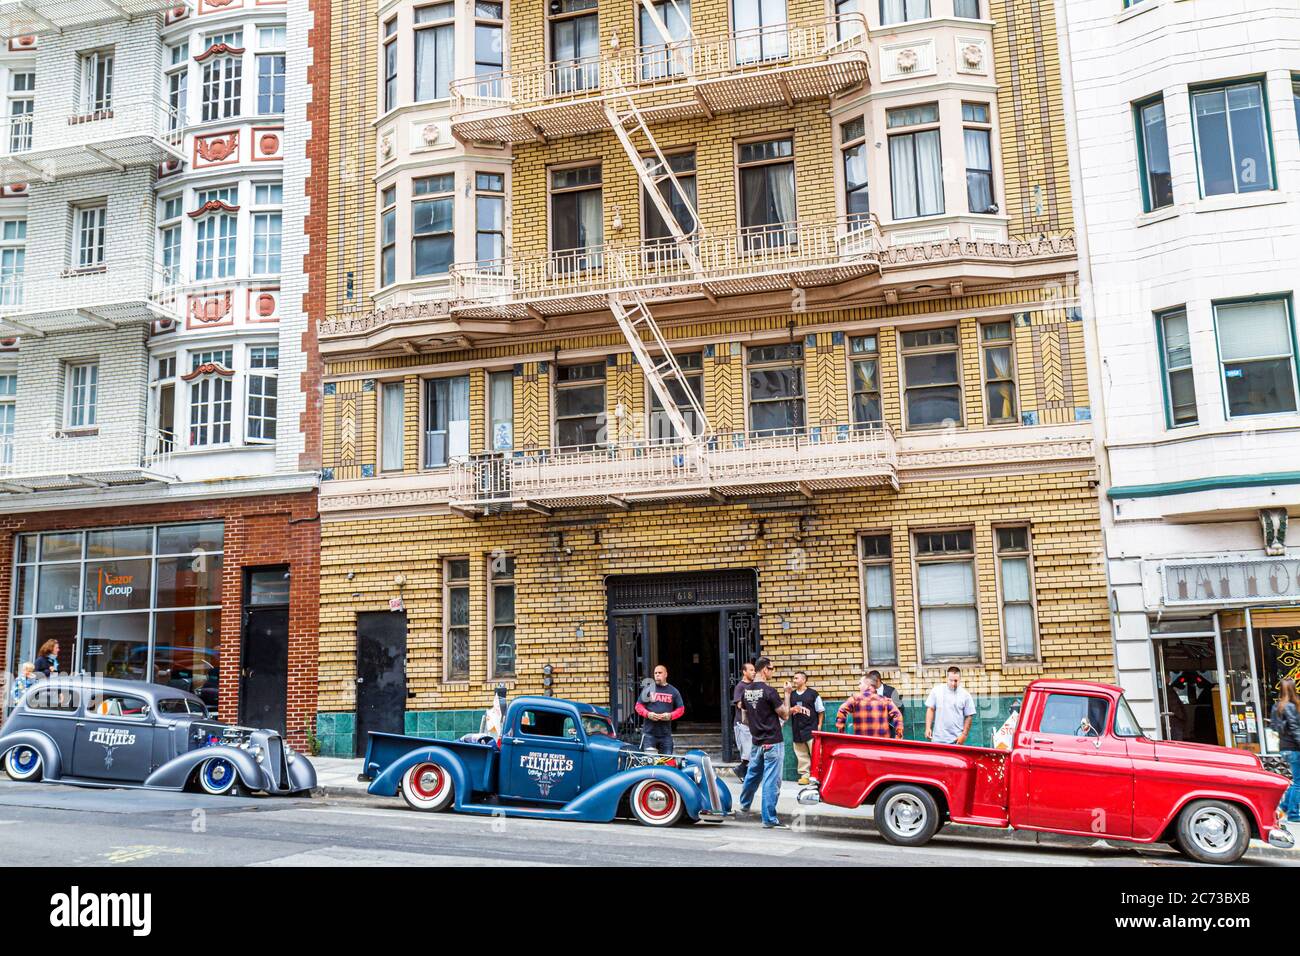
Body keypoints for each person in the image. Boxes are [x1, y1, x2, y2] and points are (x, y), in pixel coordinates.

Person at [738, 657, 790, 829]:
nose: (773, 672)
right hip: (773, 741)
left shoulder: (746, 691)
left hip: (757, 741)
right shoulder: (770, 691)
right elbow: (785, 715)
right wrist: (788, 694)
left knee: (752, 774)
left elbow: (745, 719)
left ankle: (744, 805)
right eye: (772, 668)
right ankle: (769, 818)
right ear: (764, 670)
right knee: (771, 780)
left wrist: (757, 722)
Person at [635, 664, 684, 754]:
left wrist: (670, 716)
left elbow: (681, 709)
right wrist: (648, 714)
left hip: (665, 735)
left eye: (660, 673)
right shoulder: (648, 689)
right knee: (649, 762)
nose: (657, 675)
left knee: (666, 762)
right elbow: (638, 706)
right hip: (649, 734)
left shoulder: (673, 691)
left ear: (666, 674)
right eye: (655, 673)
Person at [835, 674, 903, 739]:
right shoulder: (885, 701)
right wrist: (898, 737)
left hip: (862, 744)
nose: (858, 686)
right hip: (882, 744)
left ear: (869, 686)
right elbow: (898, 715)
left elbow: (842, 710)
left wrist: (841, 733)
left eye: (860, 683)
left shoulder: (855, 699)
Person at [787, 670, 824, 785]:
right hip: (797, 729)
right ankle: (805, 775)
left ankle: (819, 775)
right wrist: (787, 694)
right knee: (801, 754)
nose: (794, 680)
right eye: (794, 678)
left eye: (796, 678)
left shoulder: (813, 694)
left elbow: (821, 710)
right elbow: (786, 711)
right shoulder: (792, 695)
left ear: (804, 680)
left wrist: (819, 725)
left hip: (811, 728)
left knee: (816, 753)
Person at [1271, 678, 1300, 823]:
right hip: (1295, 748)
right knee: (1298, 783)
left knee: (1297, 781)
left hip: (1284, 748)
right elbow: (1295, 730)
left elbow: (1274, 727)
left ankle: (1284, 806)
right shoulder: (1291, 706)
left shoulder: (1277, 707)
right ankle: (1293, 815)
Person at [925, 666, 976, 745]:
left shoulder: (965, 695)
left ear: (960, 680)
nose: (953, 683)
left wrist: (964, 735)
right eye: (951, 680)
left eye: (956, 681)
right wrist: (928, 728)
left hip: (956, 741)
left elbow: (969, 716)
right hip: (937, 740)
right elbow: (930, 709)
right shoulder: (936, 691)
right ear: (946, 678)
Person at [731, 660, 756, 781]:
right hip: (742, 724)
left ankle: (742, 772)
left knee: (750, 751)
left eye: (754, 670)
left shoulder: (754, 685)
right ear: (744, 672)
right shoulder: (740, 687)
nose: (754, 672)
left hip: (752, 724)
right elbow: (739, 704)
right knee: (747, 752)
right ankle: (742, 772)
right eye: (751, 670)